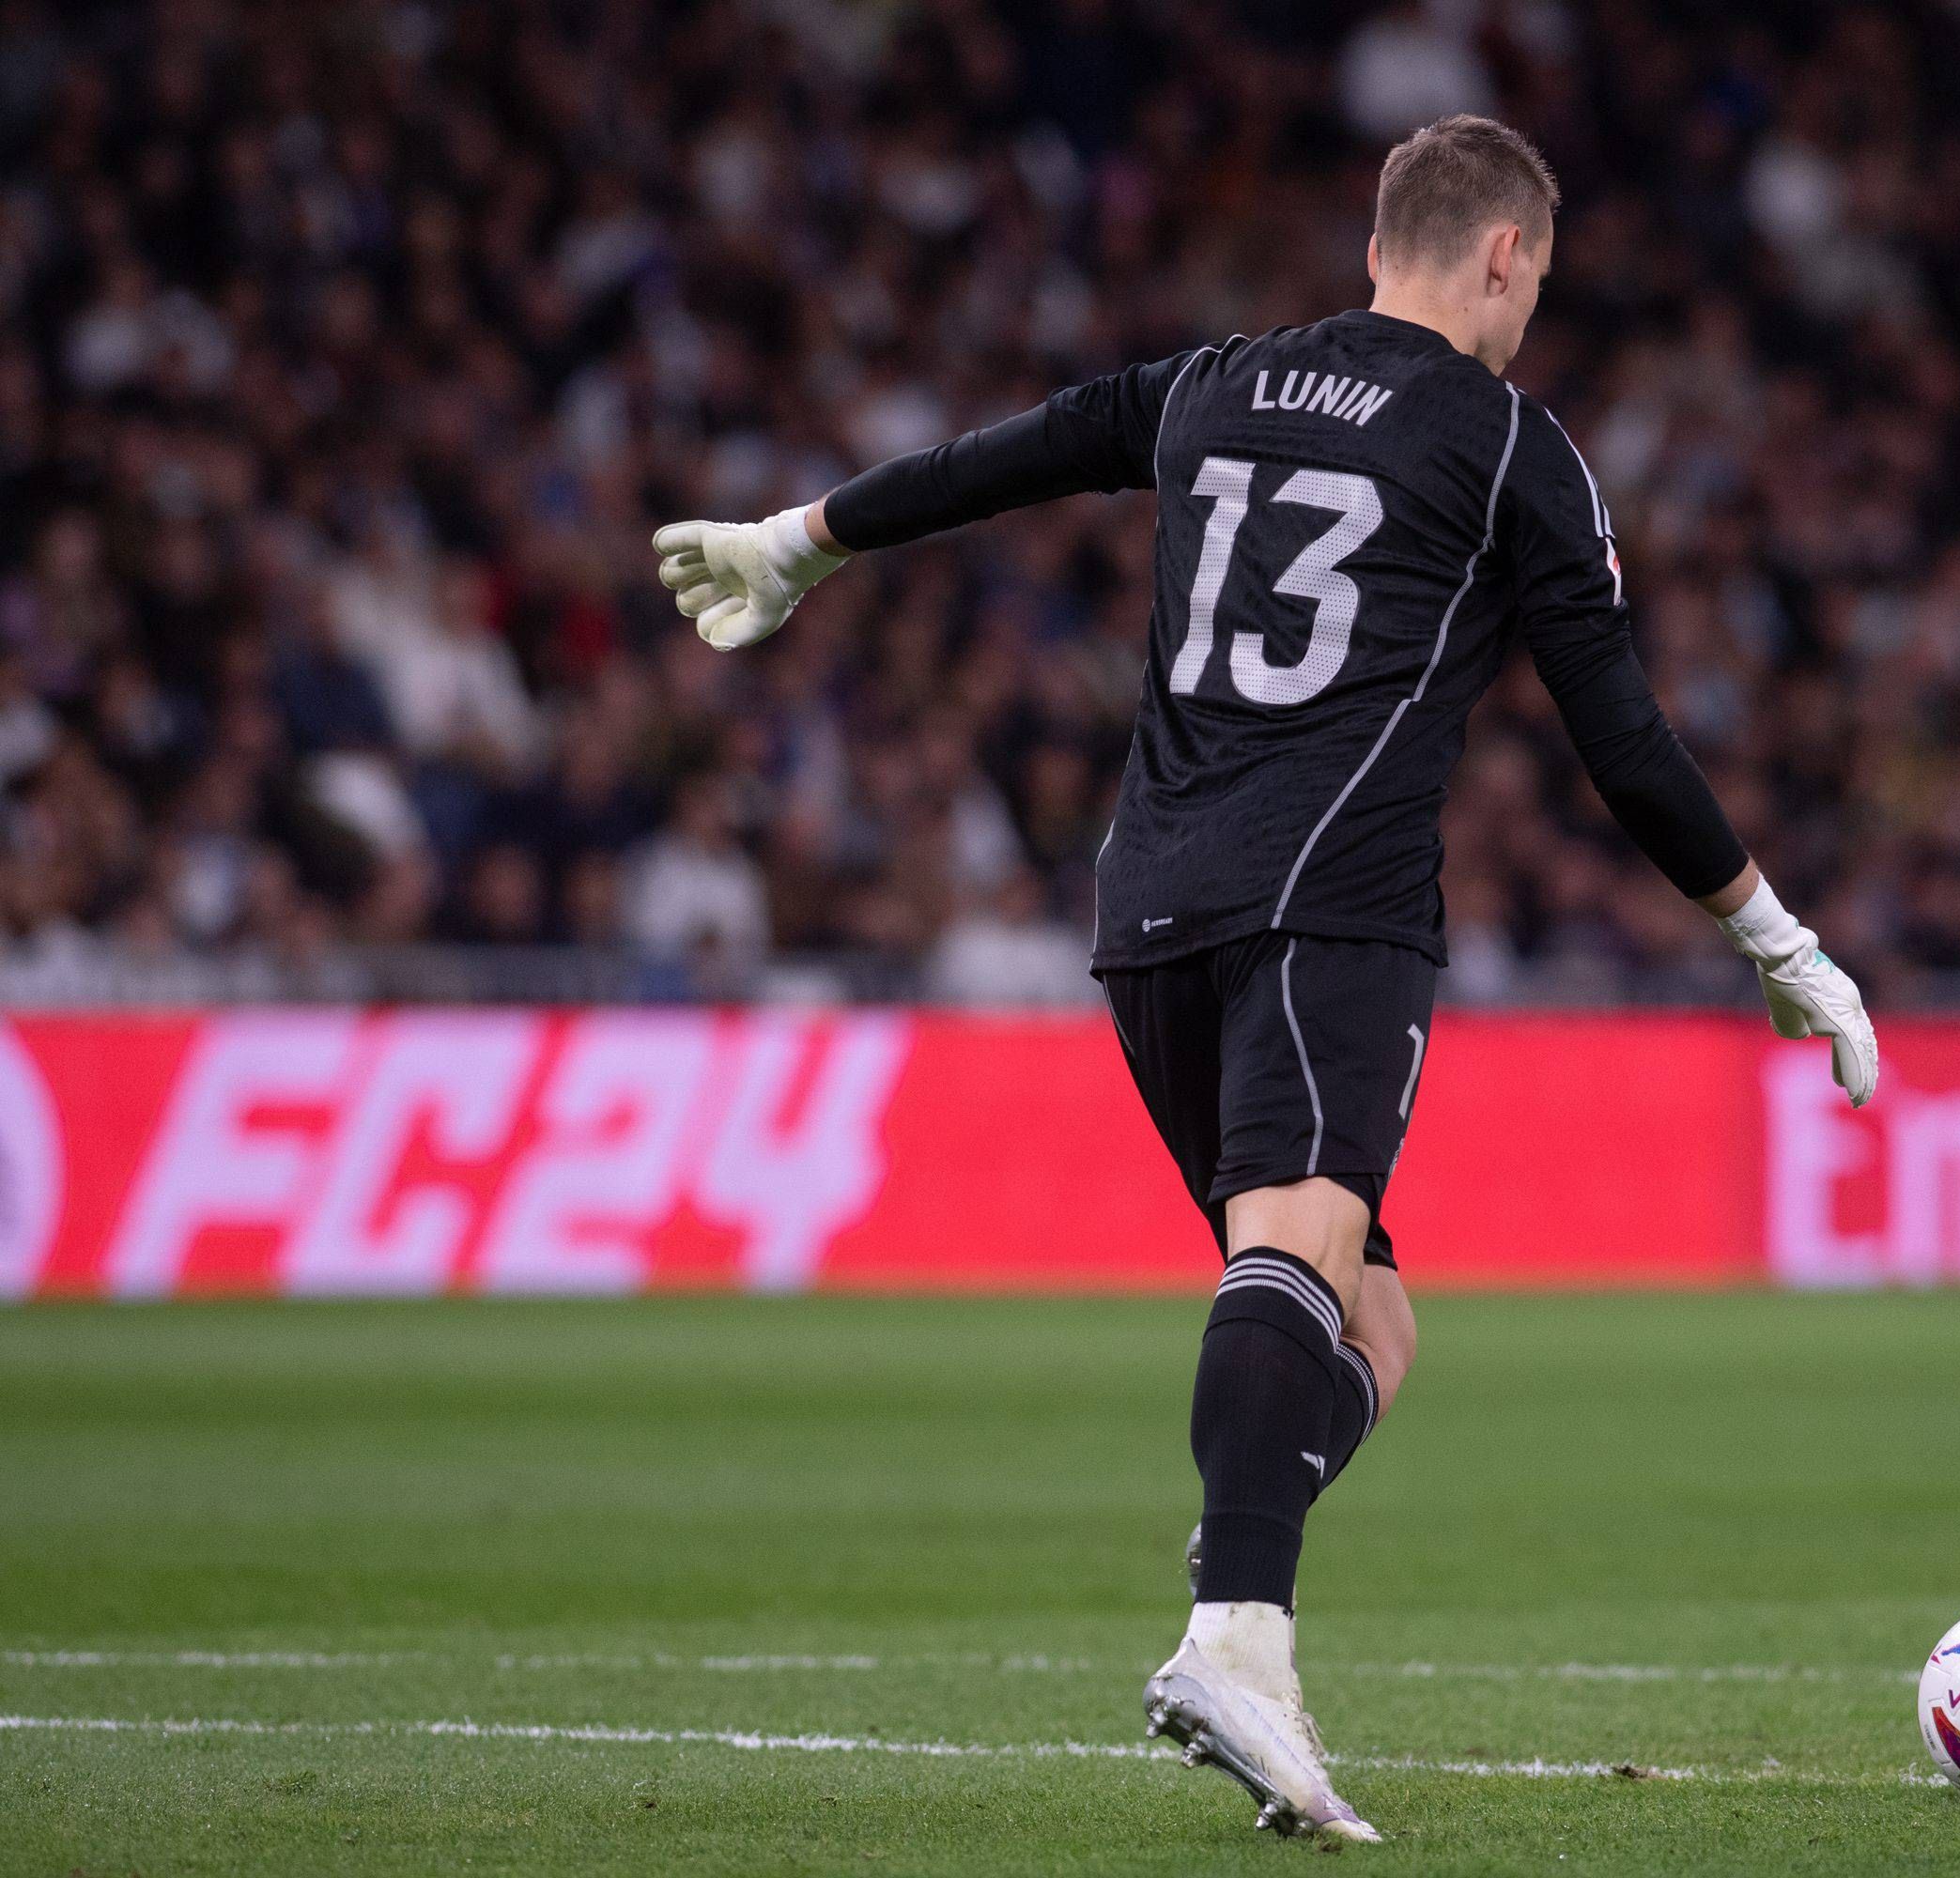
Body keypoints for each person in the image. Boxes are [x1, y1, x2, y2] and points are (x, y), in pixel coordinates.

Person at [653, 114, 1875, 1843]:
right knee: (1295, 1248)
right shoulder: (1510, 442)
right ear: (1506, 257)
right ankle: (1238, 1632)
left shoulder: (1216, 381)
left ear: (1380, 241)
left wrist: (801, 538)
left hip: (1146, 911)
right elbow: (1621, 736)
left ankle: (1244, 1545)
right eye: (1538, 281)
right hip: (1334, 902)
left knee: (1371, 1322)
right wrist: (1777, 933)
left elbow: (1023, 448)